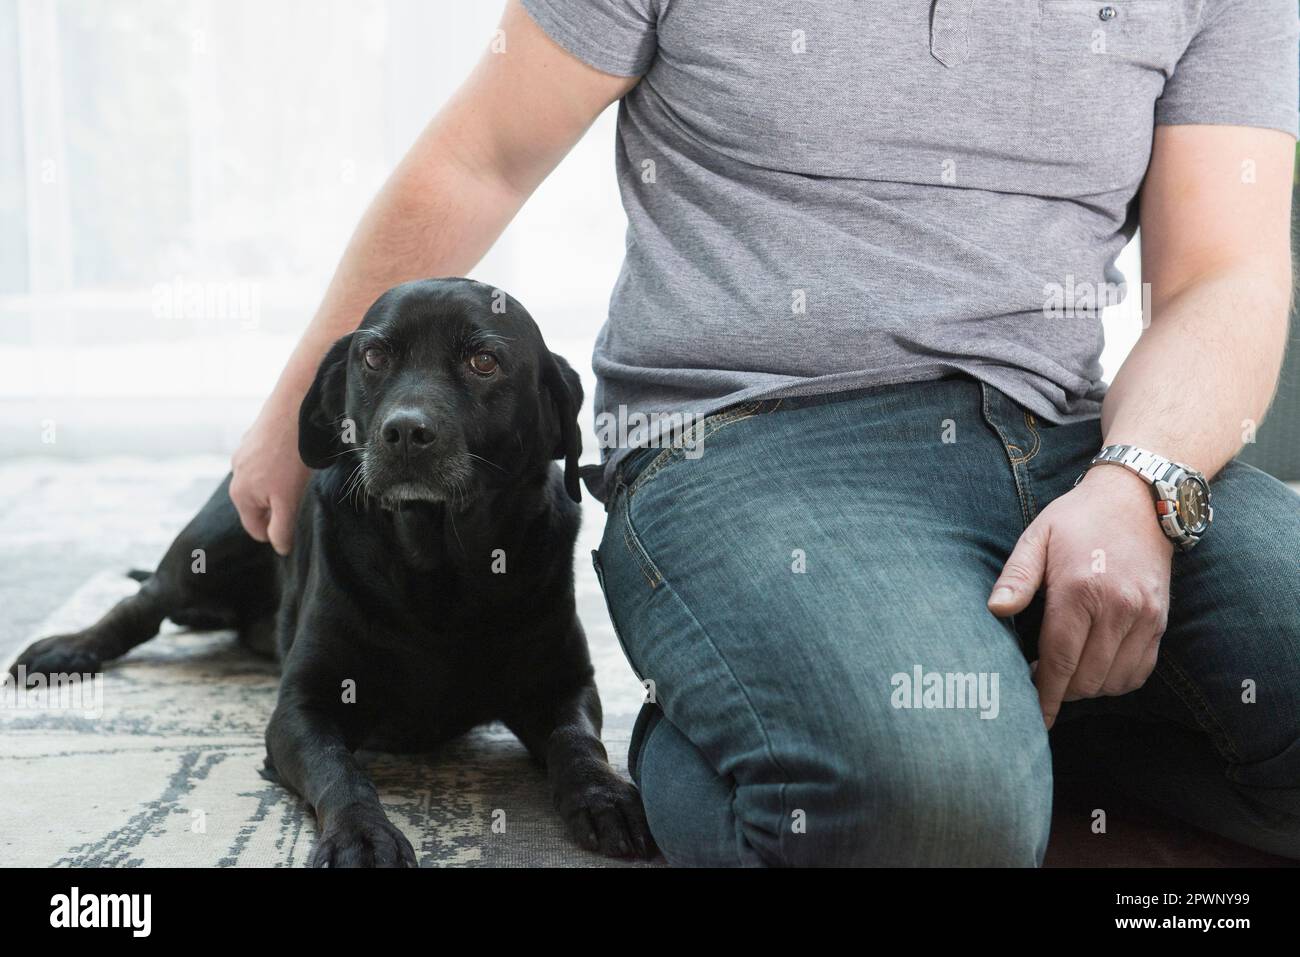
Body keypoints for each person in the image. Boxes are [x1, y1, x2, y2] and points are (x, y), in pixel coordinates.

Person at [230, 0, 1300, 865]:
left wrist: (1135, 486)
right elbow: (482, 157)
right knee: (935, 822)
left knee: (971, 772)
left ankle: (1010, 732)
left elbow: (1223, 271)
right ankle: (758, 740)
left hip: (1080, 436)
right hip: (747, 439)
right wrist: (299, 413)